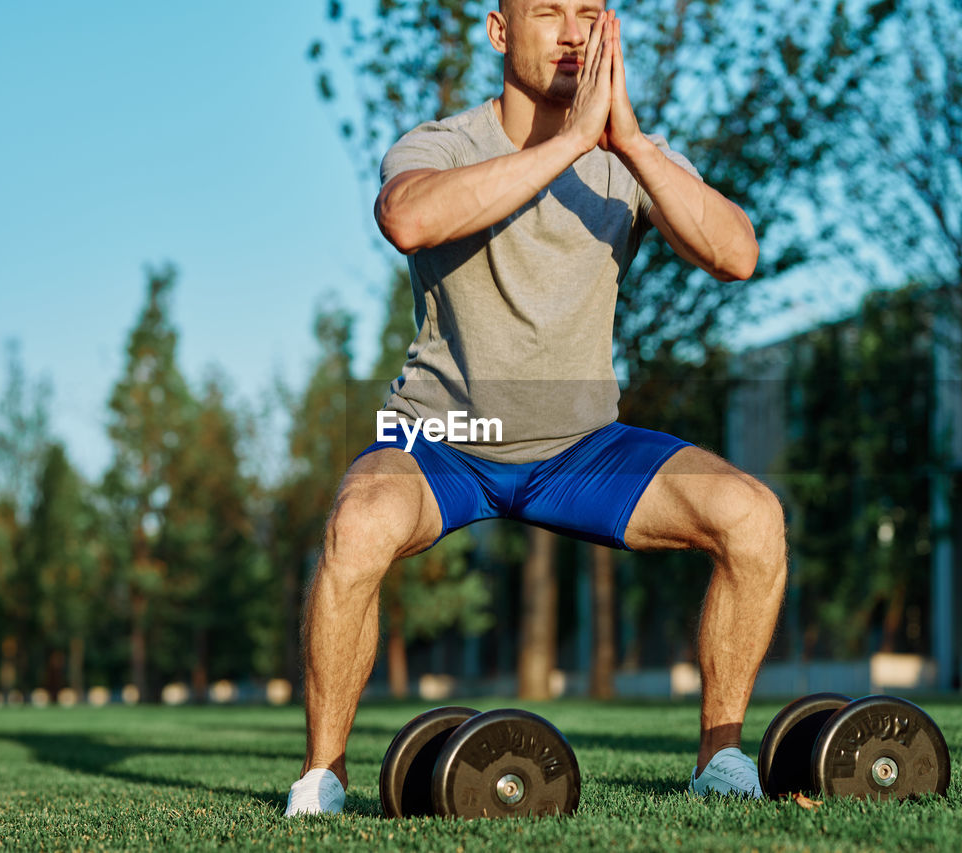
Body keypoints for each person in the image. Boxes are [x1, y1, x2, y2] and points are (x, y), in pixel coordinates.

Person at [285, 0, 786, 816]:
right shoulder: (441, 142)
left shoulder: (631, 156)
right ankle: (323, 776)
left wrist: (625, 144)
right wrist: (567, 145)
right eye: (548, 11)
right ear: (497, 30)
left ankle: (720, 758)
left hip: (580, 446)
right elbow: (407, 218)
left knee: (753, 517)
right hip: (443, 439)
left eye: (590, 14)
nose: (572, 33)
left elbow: (737, 253)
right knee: (359, 521)